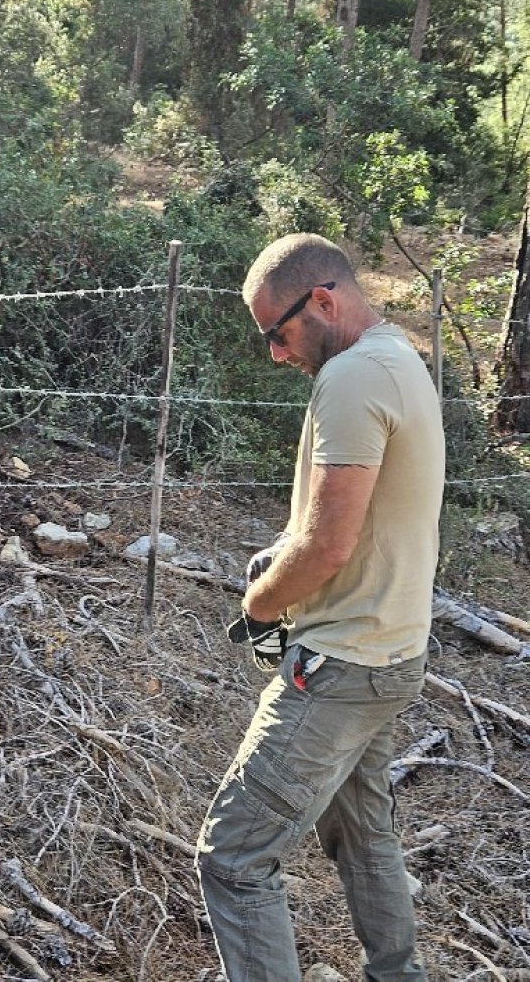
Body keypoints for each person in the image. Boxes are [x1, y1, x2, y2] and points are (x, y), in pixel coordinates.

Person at [196, 233, 445, 982]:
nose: (274, 353)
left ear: (324, 301)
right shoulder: (400, 359)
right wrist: (289, 545)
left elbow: (329, 547)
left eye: (278, 331)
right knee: (364, 833)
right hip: (392, 653)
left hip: (341, 664)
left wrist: (261, 603)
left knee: (234, 858)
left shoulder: (351, 378)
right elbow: (356, 520)